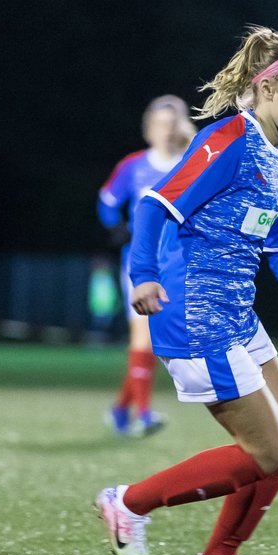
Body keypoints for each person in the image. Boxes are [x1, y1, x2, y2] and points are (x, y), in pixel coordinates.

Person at [95, 26, 278, 555]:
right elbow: (153, 205)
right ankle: (129, 502)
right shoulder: (228, 139)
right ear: (266, 88)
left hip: (237, 316)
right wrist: (141, 275)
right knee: (266, 450)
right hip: (193, 316)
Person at [97, 95, 197, 437]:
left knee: (153, 344)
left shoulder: (190, 164)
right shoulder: (134, 166)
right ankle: (144, 414)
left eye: (172, 124)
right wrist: (116, 227)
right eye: (159, 124)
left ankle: (121, 409)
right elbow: (107, 201)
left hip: (177, 266)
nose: (166, 131)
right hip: (139, 266)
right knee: (142, 335)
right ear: (148, 128)